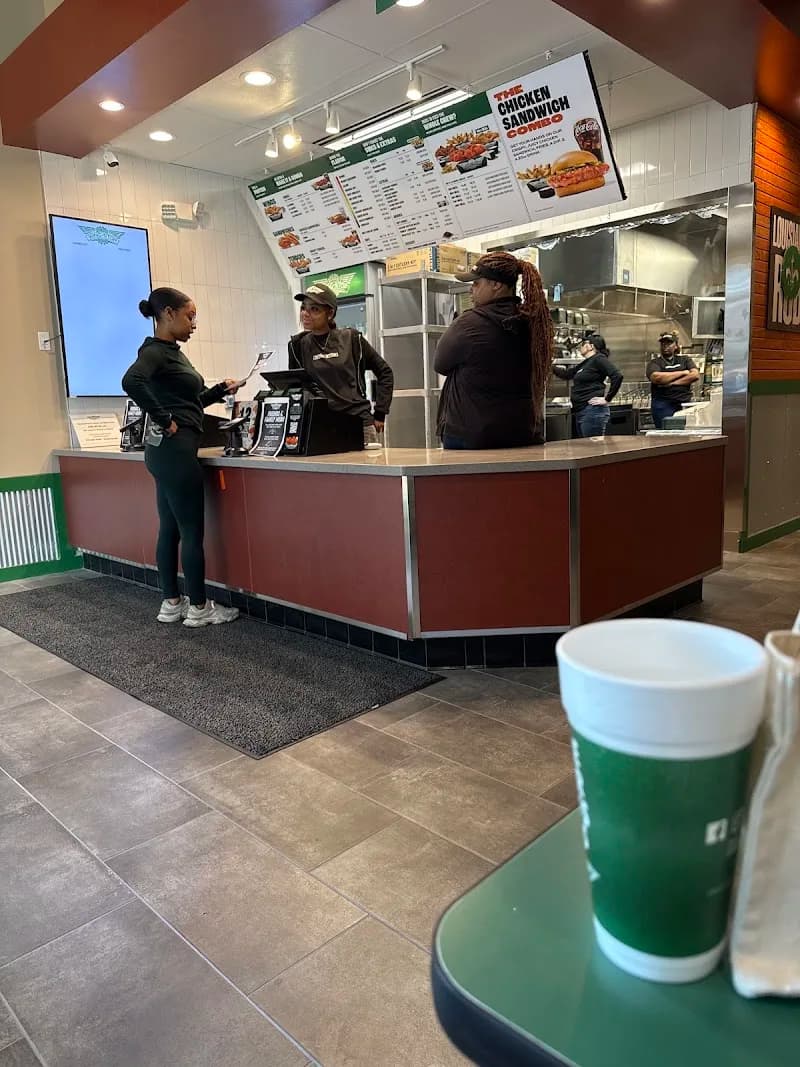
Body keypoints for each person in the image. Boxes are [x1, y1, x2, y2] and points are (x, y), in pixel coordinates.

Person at [122, 287, 240, 628]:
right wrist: (163, 418)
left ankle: (171, 603)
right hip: (174, 451)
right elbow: (131, 381)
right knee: (190, 531)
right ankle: (200, 608)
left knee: (171, 528)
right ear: (168, 314)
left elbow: (189, 404)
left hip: (164, 452)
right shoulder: (156, 352)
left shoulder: (171, 353)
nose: (194, 323)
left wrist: (219, 391)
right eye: (190, 316)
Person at [434, 251, 553, 449]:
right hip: (521, 433)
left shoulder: (468, 323)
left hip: (470, 436)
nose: (471, 290)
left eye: (476, 283)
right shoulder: (533, 323)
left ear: (496, 285)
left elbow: (440, 364)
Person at [288, 283, 393, 449]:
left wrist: (380, 412)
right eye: (303, 308)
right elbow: (294, 386)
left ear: (330, 313)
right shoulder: (297, 345)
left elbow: (385, 372)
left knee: (366, 467)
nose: (305, 314)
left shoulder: (352, 339)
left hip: (358, 424)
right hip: (320, 427)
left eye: (314, 309)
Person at [552, 333, 623, 438]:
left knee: (592, 446)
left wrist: (607, 399)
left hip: (592, 412)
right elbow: (567, 374)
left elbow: (617, 376)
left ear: (591, 346)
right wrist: (550, 365)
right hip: (582, 411)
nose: (580, 347)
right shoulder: (587, 363)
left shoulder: (599, 359)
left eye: (583, 344)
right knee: (586, 446)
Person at [647, 332, 700, 428]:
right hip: (663, 405)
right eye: (663, 343)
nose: (665, 346)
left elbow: (695, 375)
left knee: (687, 431)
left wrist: (672, 383)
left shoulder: (685, 360)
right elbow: (656, 378)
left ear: (675, 346)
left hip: (685, 403)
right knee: (666, 432)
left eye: (669, 343)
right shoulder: (655, 363)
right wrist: (683, 372)